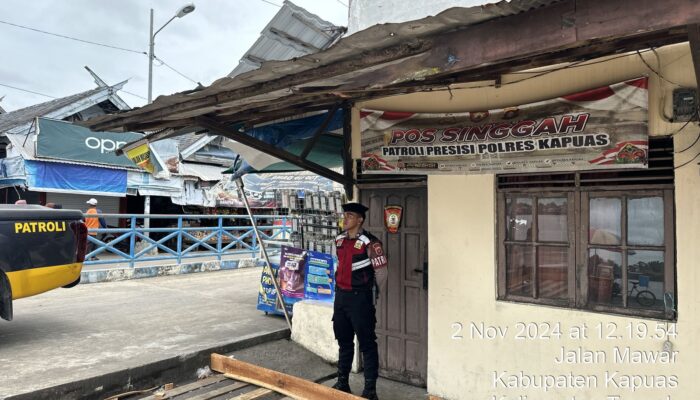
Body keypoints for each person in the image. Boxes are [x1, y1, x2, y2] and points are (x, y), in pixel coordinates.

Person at [332, 202, 388, 400]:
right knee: (344, 342)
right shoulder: (339, 240)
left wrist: (372, 294)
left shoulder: (371, 243)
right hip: (341, 299)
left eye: (349, 215)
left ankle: (370, 390)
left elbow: (381, 273)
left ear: (359, 220)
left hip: (360, 300)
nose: (344, 219)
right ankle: (342, 382)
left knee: (367, 344)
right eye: (344, 215)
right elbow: (339, 266)